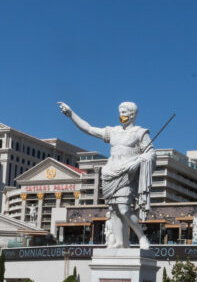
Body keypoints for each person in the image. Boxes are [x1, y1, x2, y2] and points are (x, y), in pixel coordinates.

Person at [58, 101, 154, 249]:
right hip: (110, 174)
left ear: (132, 114)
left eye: (124, 112)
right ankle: (120, 242)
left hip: (126, 175)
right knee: (114, 210)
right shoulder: (113, 131)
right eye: (120, 112)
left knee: (124, 209)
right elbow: (89, 129)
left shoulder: (140, 133)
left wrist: (138, 162)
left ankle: (142, 237)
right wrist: (71, 114)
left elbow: (150, 154)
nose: (121, 115)